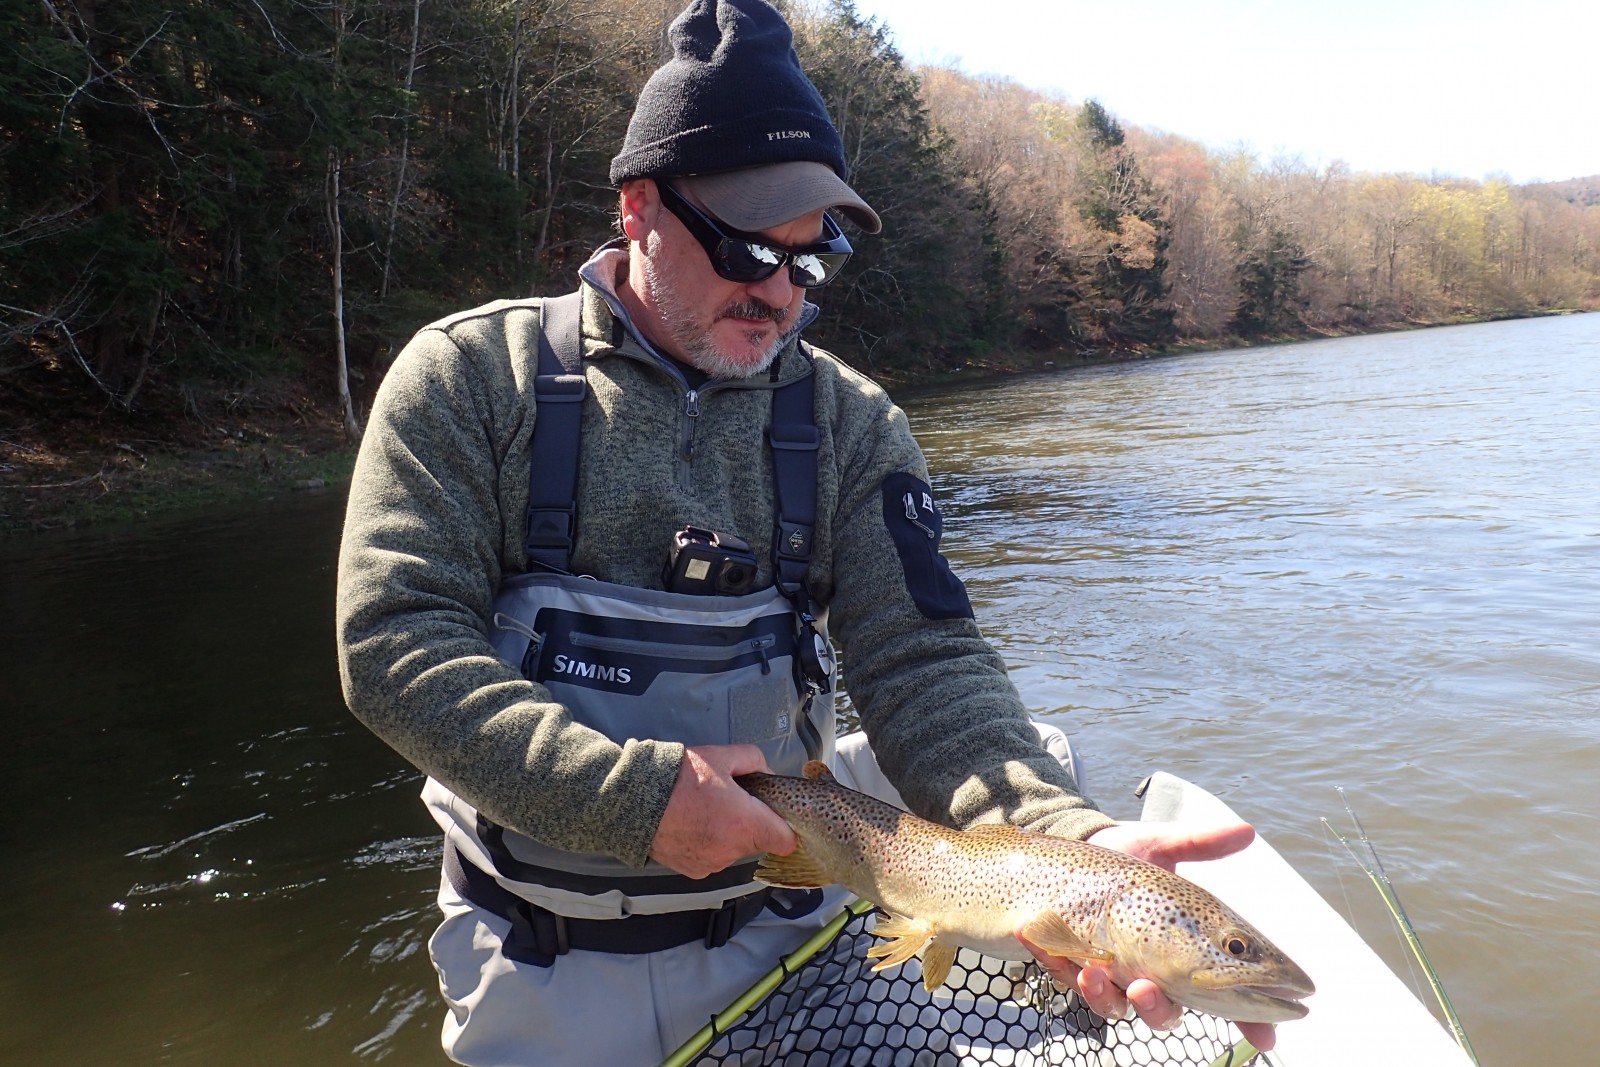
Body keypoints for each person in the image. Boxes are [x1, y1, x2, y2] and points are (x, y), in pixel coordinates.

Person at [334, 1, 1270, 1063]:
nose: (779, 290)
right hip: (540, 966)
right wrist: (637, 802)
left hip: (790, 935)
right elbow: (394, 647)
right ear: (638, 207)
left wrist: (1069, 841)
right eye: (744, 248)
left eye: (810, 257)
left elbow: (922, 663)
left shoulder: (852, 423)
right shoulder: (468, 380)